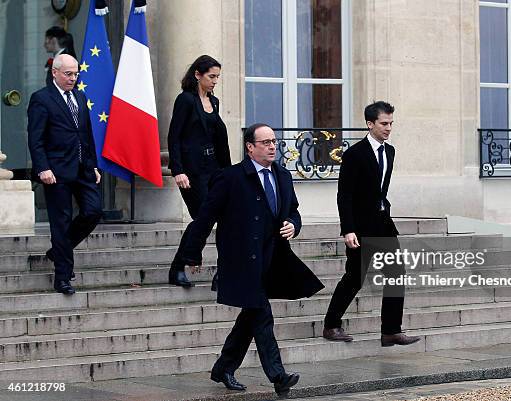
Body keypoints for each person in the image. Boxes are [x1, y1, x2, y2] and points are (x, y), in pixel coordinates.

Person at [171, 123, 324, 396]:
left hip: (273, 260)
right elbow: (205, 217)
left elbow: (293, 211)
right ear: (250, 147)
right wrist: (191, 254)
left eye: (274, 141)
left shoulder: (283, 176)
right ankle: (278, 376)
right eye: (265, 142)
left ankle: (223, 368)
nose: (272, 146)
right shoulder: (229, 177)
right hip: (241, 261)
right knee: (262, 315)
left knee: (250, 318)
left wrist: (293, 224)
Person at [322, 101, 421, 347]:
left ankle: (391, 331)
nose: (388, 128)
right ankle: (331, 325)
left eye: (391, 123)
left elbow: (379, 190)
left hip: (383, 224)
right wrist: (348, 229)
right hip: (360, 227)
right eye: (383, 123)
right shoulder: (355, 154)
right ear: (370, 124)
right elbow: (343, 195)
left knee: (396, 274)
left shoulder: (390, 151)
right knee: (355, 277)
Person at [27, 54, 102, 295]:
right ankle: (63, 277)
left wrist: (93, 166)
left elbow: (86, 135)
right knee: (60, 222)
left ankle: (59, 250)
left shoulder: (80, 96)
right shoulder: (41, 98)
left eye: (76, 73)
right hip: (56, 172)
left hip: (82, 169)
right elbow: (35, 139)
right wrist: (42, 168)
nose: (73, 78)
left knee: (93, 211)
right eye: (68, 74)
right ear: (55, 73)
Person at [167, 55, 231, 287]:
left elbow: (219, 140)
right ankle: (183, 263)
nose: (215, 81)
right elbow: (174, 137)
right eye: (211, 76)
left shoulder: (214, 102)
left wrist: (228, 173)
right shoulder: (185, 100)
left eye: (217, 77)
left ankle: (220, 272)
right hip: (192, 172)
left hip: (214, 169)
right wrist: (177, 169)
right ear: (198, 75)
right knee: (203, 217)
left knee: (223, 218)